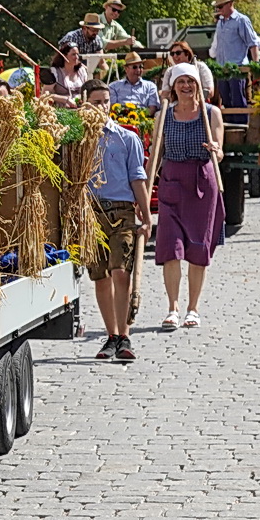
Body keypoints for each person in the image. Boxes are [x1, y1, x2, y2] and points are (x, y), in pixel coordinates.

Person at [154, 63, 225, 330]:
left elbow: (219, 153)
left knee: (197, 247)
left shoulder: (211, 113)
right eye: (180, 81)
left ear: (198, 85)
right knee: (170, 247)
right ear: (172, 86)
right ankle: (172, 308)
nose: (186, 86)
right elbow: (157, 153)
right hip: (172, 180)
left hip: (201, 183)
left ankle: (192, 309)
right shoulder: (163, 116)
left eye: (190, 81)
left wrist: (214, 149)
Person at [82, 83, 149, 362]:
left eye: (106, 101)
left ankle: (124, 334)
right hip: (91, 212)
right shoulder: (79, 141)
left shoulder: (126, 138)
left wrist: (146, 215)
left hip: (121, 212)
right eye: (96, 101)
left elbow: (137, 178)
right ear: (84, 104)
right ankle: (111, 335)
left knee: (121, 272)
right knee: (100, 276)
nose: (102, 106)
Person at [209, 0, 260, 108]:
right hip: (222, 69)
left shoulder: (242, 20)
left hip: (238, 69)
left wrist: (256, 66)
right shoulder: (220, 23)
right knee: (225, 100)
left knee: (238, 99)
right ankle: (230, 125)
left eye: (220, 6)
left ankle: (240, 125)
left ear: (230, 4)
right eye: (217, 7)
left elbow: (252, 43)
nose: (218, 9)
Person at [46, 43, 89, 107]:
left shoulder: (81, 71)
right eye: (73, 54)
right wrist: (65, 99)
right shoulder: (54, 72)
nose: (77, 57)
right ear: (64, 56)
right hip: (61, 111)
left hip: (80, 109)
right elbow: (45, 94)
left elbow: (88, 90)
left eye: (77, 54)